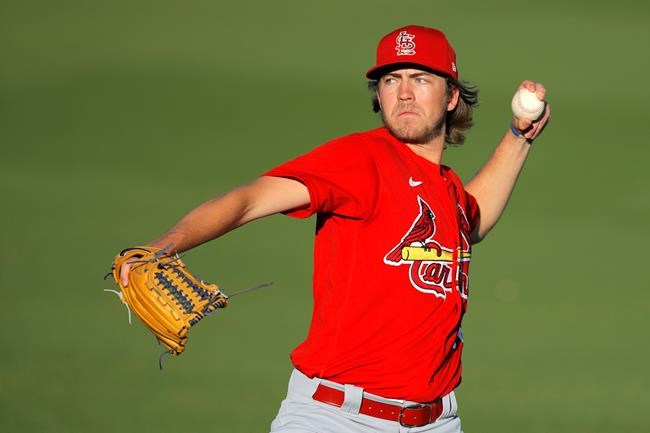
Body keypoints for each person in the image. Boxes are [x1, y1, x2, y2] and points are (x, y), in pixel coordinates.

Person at [120, 25, 550, 433]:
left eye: (420, 78)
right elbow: (249, 199)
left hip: (437, 421)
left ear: (452, 96)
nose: (403, 92)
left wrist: (519, 136)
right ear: (378, 95)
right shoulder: (361, 160)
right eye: (390, 79)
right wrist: (165, 244)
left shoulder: (448, 190)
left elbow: (473, 219)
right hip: (335, 417)